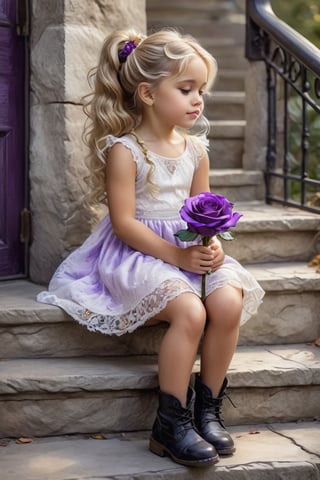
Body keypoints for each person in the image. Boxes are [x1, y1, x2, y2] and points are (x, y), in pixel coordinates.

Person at [37, 28, 265, 467]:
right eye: (186, 89)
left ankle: (208, 408)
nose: (198, 99)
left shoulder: (196, 149)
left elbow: (204, 209)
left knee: (229, 299)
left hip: (186, 247)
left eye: (201, 89)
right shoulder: (126, 150)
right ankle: (170, 422)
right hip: (138, 252)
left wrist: (211, 244)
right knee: (190, 311)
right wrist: (178, 257)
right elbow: (123, 224)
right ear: (147, 93)